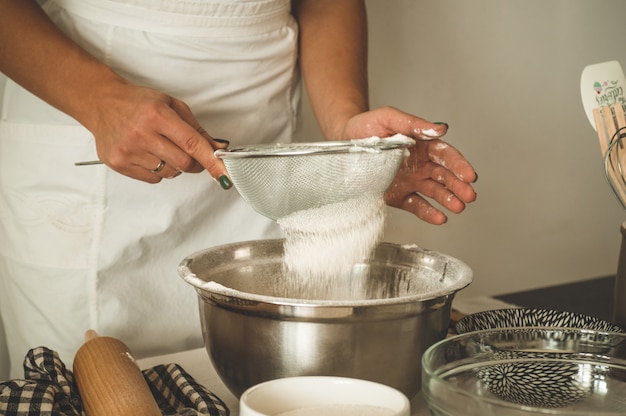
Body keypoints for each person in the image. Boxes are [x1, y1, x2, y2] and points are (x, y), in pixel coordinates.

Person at [0, 0, 477, 380]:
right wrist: (96, 99)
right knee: (77, 379)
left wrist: (345, 126)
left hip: (261, 135)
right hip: (83, 94)